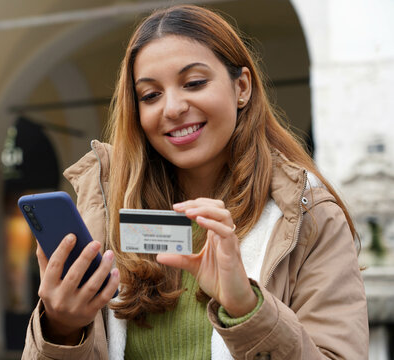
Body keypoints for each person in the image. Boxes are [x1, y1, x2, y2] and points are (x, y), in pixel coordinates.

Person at [22, 4, 368, 359]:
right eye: (150, 95)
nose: (172, 108)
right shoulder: (103, 210)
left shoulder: (308, 215)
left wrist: (246, 307)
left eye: (194, 83)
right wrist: (61, 328)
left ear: (242, 87)